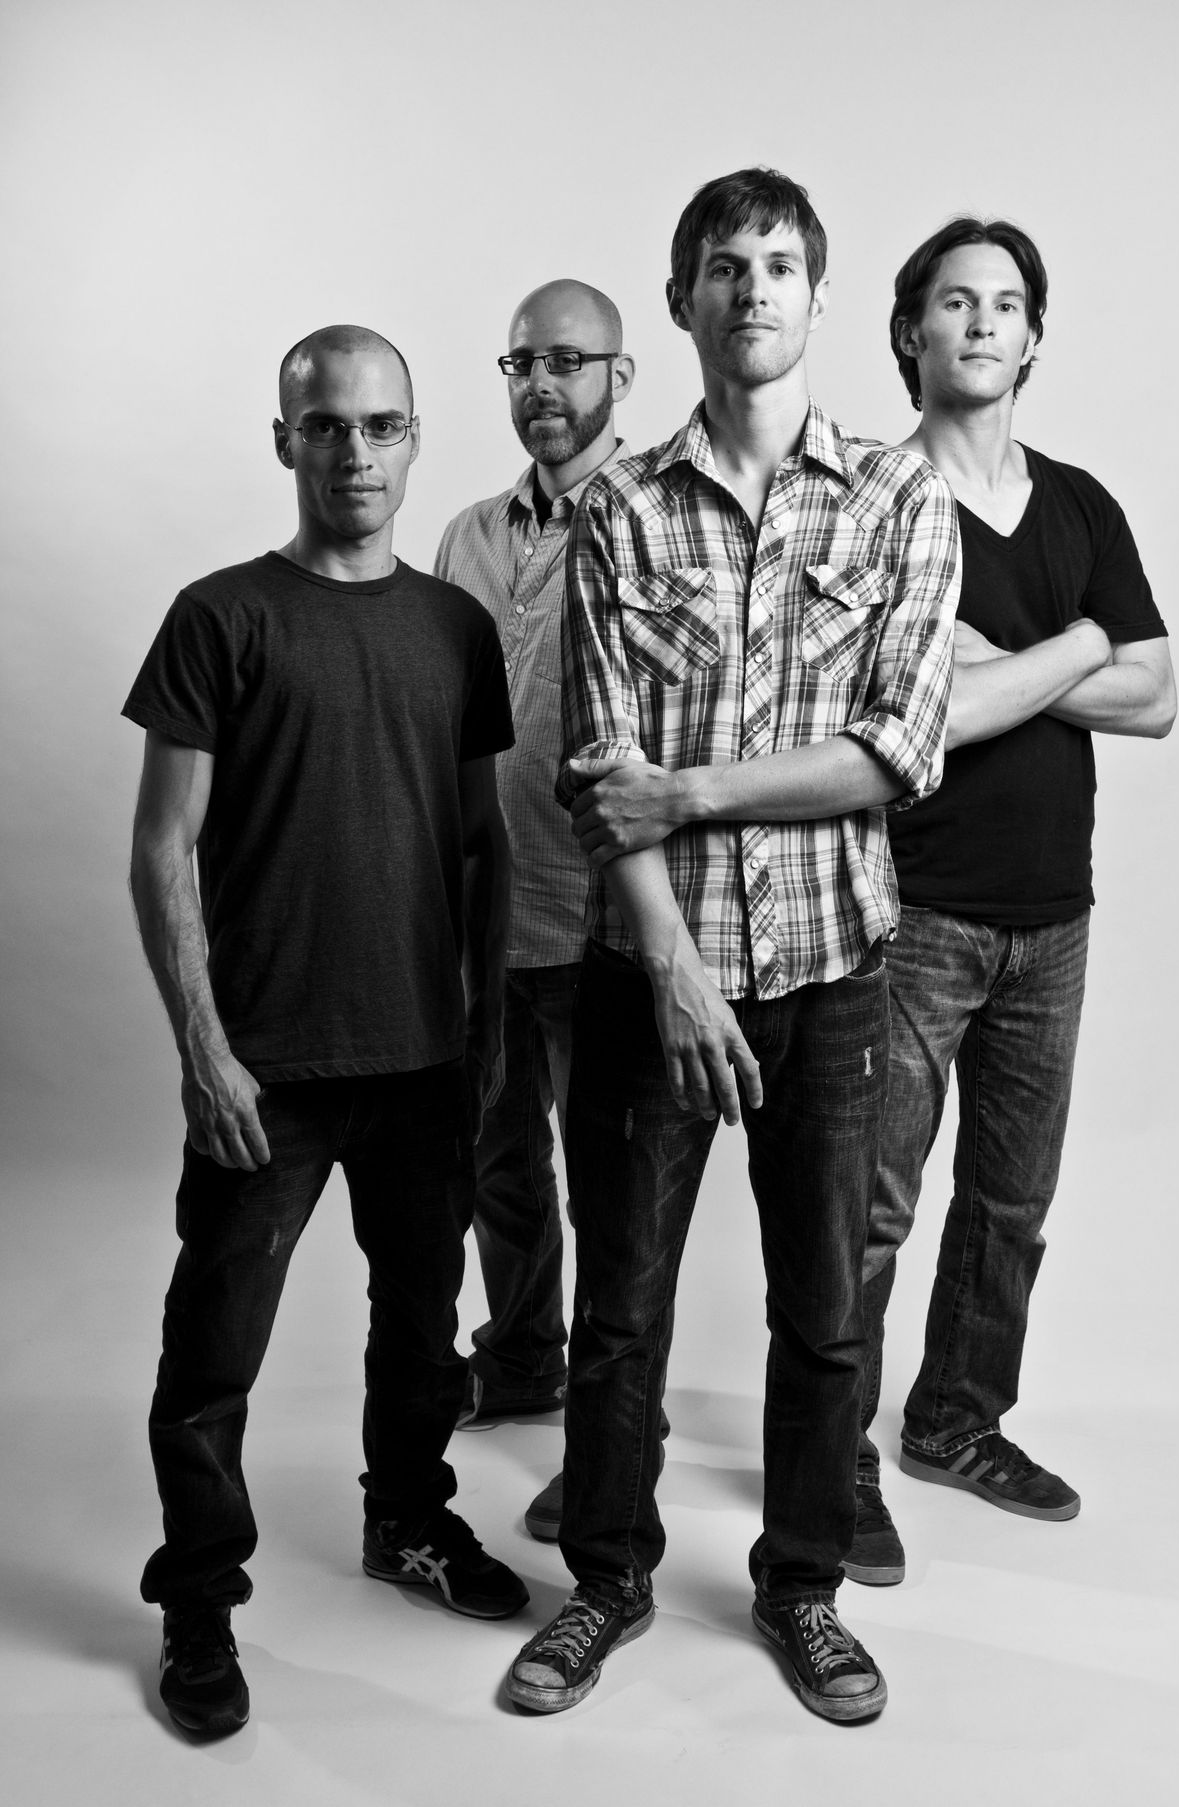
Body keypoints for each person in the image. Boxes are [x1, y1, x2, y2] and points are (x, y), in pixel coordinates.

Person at [503, 169, 961, 1723]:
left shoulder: (897, 498)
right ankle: (606, 1583)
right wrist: (677, 968)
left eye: (776, 263)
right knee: (621, 1305)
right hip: (653, 978)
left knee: (823, 1310)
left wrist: (695, 790)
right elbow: (598, 773)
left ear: (817, 298)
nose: (751, 287)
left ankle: (803, 1588)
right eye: (722, 264)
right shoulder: (621, 508)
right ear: (684, 300)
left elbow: (897, 748)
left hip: (834, 976)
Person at [123, 325, 528, 1740]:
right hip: (268, 1070)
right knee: (213, 1352)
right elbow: (162, 849)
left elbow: (479, 845)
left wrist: (483, 1027)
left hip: (425, 1063)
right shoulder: (220, 616)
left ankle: (407, 1520)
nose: (355, 451)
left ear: (415, 440)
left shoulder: (457, 630)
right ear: (286, 440)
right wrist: (204, 1050)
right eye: (328, 426)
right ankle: (197, 1598)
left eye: (381, 425)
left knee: (421, 1329)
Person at [846, 220, 1175, 1587]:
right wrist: (1085, 642)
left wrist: (1016, 659)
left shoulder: (1082, 505)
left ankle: (955, 1421)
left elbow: (1158, 697)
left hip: (1055, 915)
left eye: (1004, 303)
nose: (981, 322)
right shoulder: (872, 503)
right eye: (953, 301)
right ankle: (832, 1463)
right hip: (914, 911)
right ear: (908, 331)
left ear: (1034, 335)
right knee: (868, 1205)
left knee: (1011, 1202)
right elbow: (922, 710)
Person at [434, 282, 634, 1480]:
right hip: (480, 916)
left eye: (568, 360)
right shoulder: (467, 535)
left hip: (601, 914)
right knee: (497, 1162)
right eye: (522, 364)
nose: (542, 385)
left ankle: (615, 1423)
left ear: (621, 376)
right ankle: (519, 1358)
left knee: (614, 1189)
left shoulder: (657, 519)